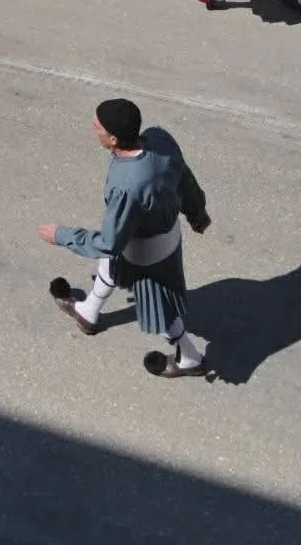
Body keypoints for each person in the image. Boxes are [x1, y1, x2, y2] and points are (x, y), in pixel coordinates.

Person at [41, 99, 211, 378]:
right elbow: (184, 177)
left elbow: (110, 242)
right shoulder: (160, 138)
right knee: (111, 267)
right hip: (167, 236)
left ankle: (190, 359)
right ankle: (88, 312)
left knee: (160, 306)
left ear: (113, 139)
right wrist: (196, 212)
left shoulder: (127, 185)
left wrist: (61, 235)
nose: (92, 129)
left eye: (97, 127)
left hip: (145, 254)